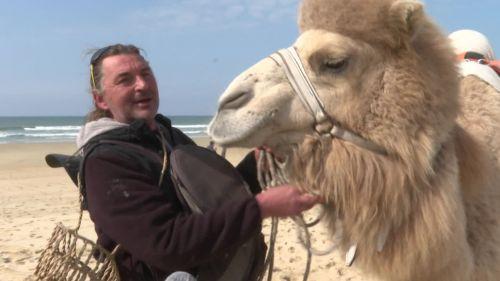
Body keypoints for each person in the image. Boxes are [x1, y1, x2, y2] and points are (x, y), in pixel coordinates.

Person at [76, 44, 319, 281]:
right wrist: (261, 208)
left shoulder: (168, 136)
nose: (142, 84)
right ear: (101, 100)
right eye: (125, 79)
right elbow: (167, 245)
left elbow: (212, 201)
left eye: (146, 73)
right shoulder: (105, 162)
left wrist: (260, 163)